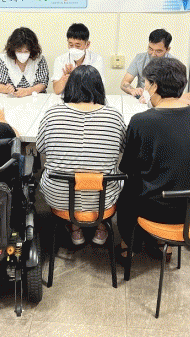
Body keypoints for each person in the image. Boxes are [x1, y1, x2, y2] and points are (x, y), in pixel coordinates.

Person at [118, 57, 190, 262]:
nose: (145, 87)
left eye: (146, 83)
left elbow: (128, 167)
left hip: (157, 212)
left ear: (154, 86)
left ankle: (129, 246)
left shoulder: (141, 121)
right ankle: (164, 245)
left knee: (128, 188)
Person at [37, 65, 125, 245]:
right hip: (103, 199)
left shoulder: (53, 113)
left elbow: (40, 148)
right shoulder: (114, 116)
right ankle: (101, 226)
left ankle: (74, 228)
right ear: (99, 88)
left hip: (59, 196)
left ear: (70, 87)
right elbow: (123, 147)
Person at [0, 27, 49, 97]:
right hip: (12, 99)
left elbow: (43, 84)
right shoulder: (4, 61)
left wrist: (28, 91)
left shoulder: (39, 60)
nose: (23, 54)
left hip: (35, 98)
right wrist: (6, 89)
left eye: (26, 51)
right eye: (19, 51)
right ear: (13, 49)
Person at [51, 23, 104, 95]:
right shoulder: (60, 59)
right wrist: (64, 79)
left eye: (78, 45)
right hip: (67, 98)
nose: (74, 49)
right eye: (71, 45)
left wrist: (75, 77)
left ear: (87, 44)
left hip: (88, 99)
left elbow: (98, 89)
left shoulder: (96, 59)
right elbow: (57, 91)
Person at [120, 29, 172, 99]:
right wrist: (132, 90)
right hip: (141, 99)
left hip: (163, 101)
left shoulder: (174, 64)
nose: (153, 54)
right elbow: (124, 83)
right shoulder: (140, 58)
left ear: (167, 50)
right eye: (150, 49)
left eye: (158, 51)